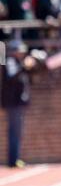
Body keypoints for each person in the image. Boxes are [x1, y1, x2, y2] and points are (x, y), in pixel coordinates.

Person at [1, 40, 36, 168]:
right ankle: (13, 160)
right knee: (15, 131)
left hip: (17, 103)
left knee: (17, 131)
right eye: (19, 50)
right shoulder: (10, 61)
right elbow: (12, 75)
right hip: (13, 103)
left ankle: (15, 158)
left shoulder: (17, 62)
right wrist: (24, 66)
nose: (22, 53)